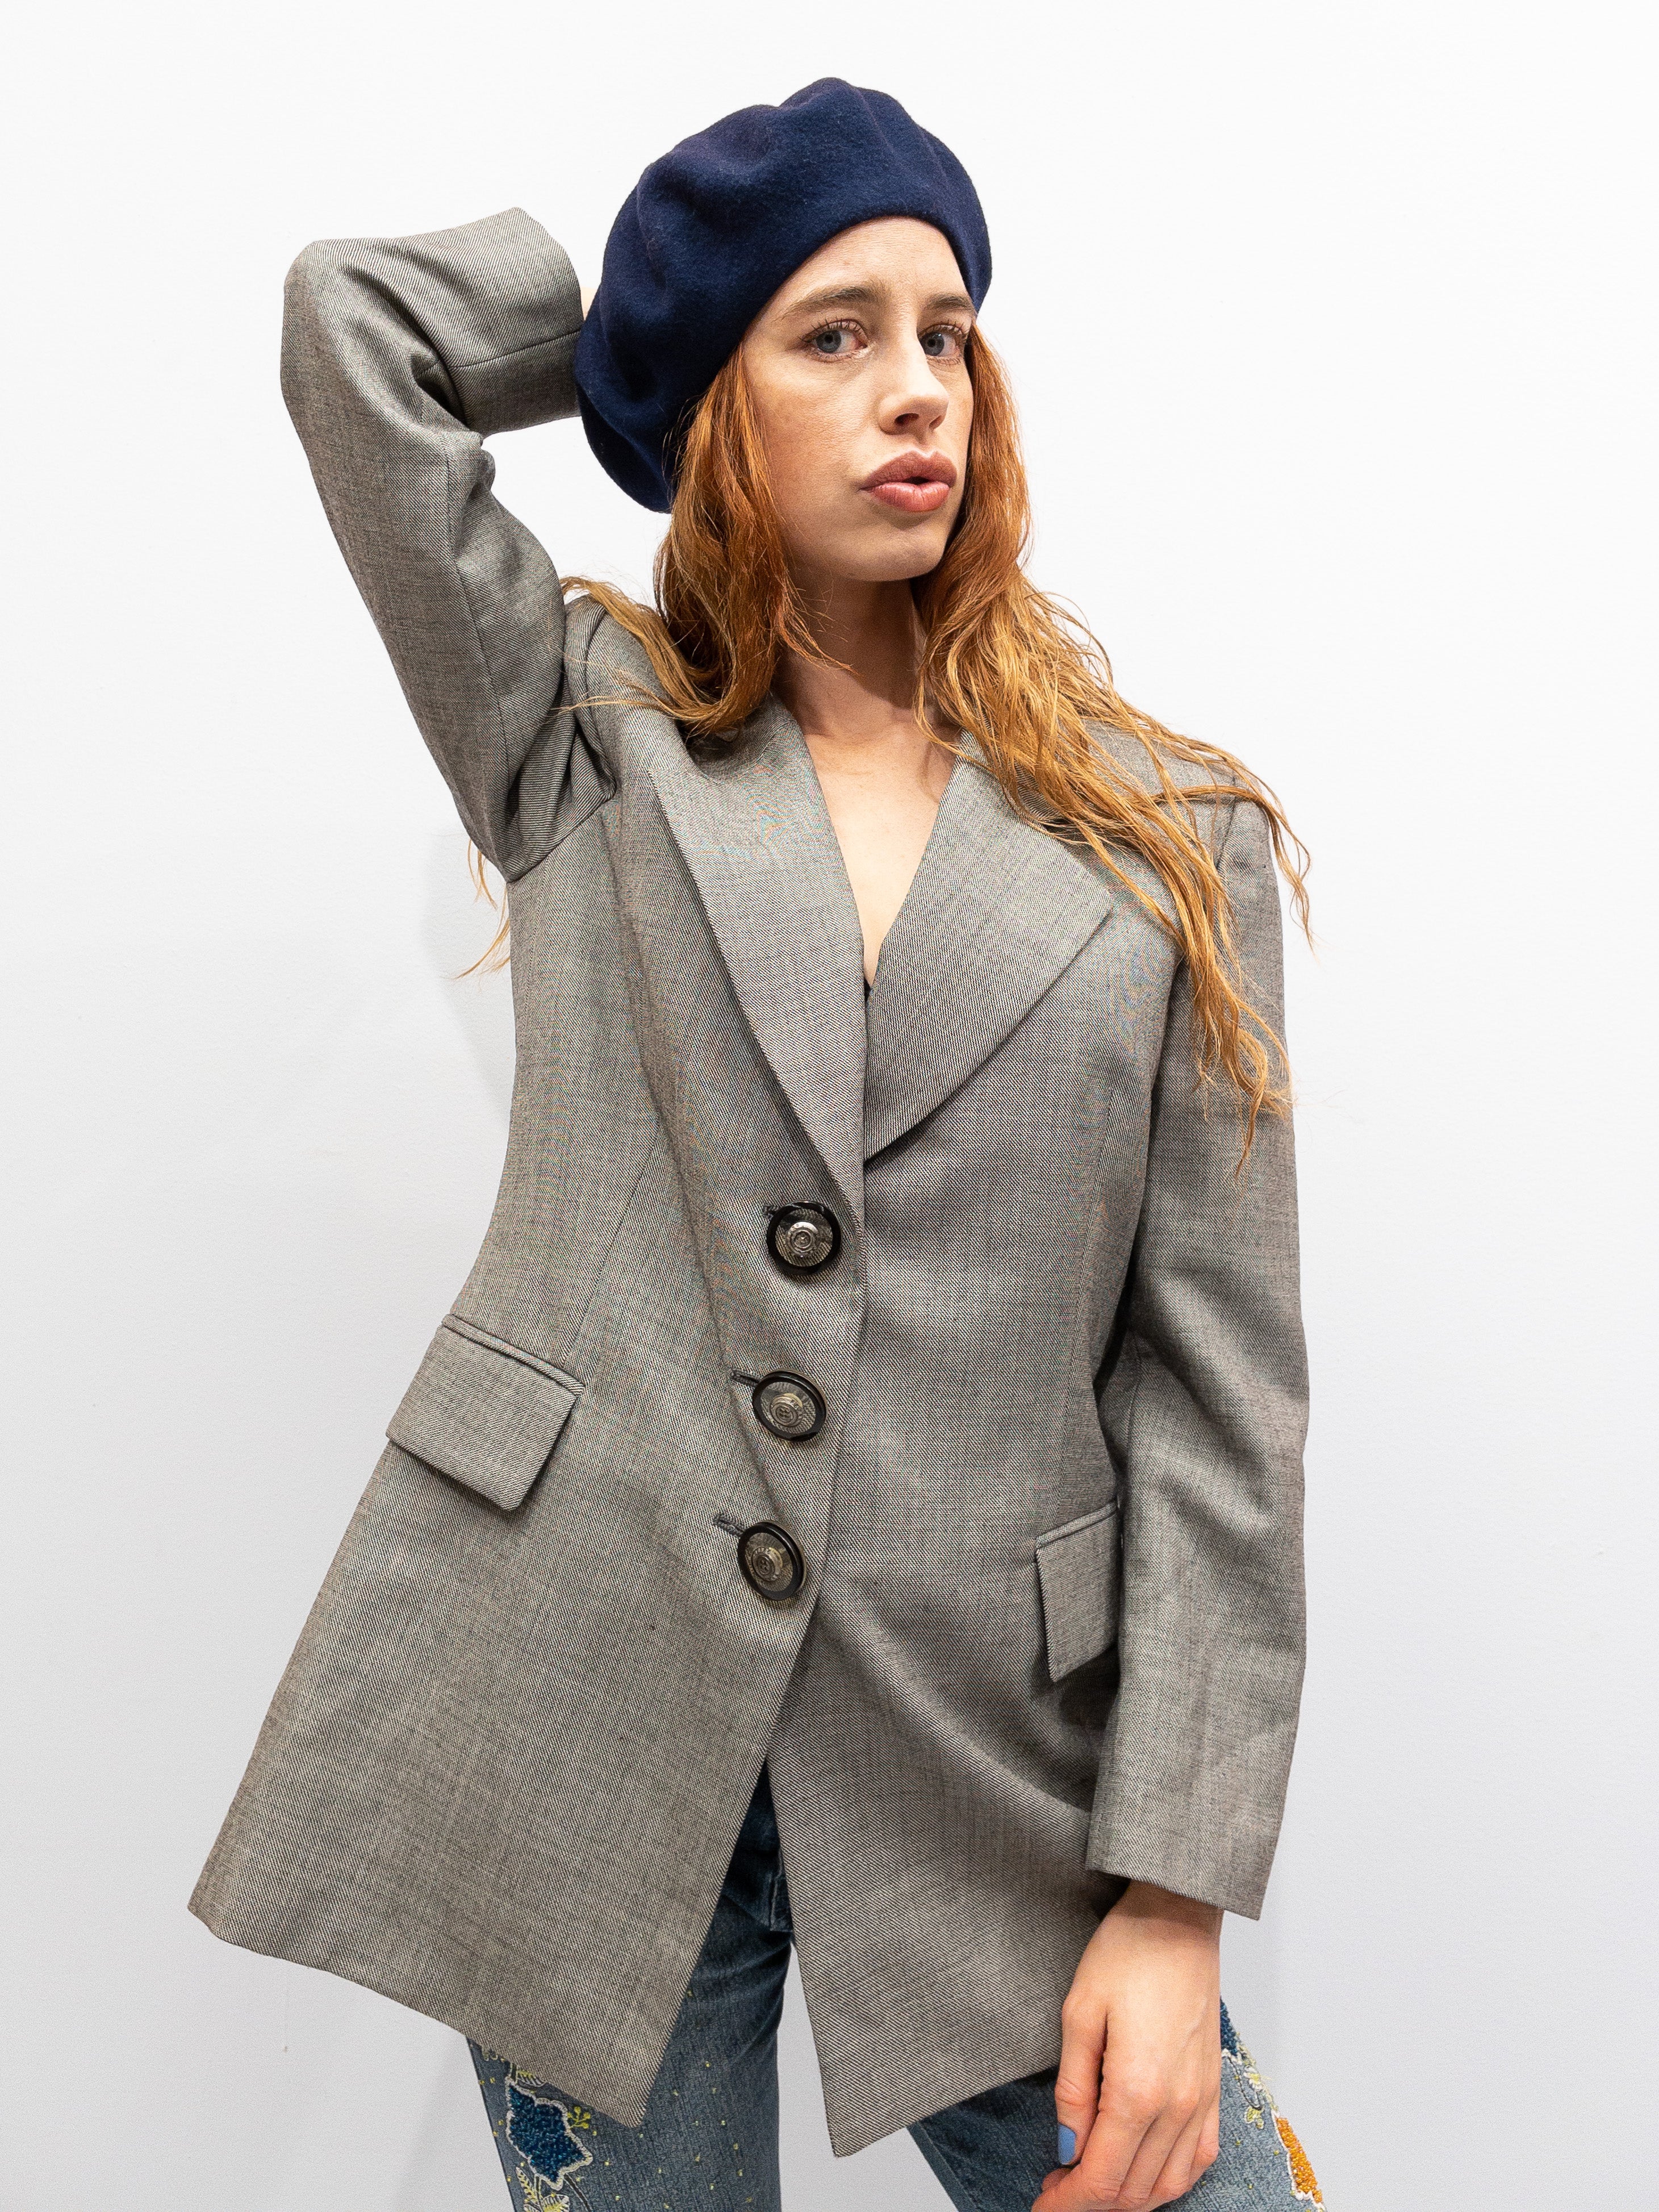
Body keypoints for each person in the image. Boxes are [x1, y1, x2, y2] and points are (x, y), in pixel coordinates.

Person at [191, 79, 1320, 2212]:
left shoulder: (1170, 842)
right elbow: (355, 329)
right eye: (833, 334)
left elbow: (1218, 1403)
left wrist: (1174, 1899)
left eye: (947, 332)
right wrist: (636, 332)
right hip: (581, 1716)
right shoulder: (581, 734)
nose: (918, 389)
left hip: (992, 1768)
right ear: (715, 396)